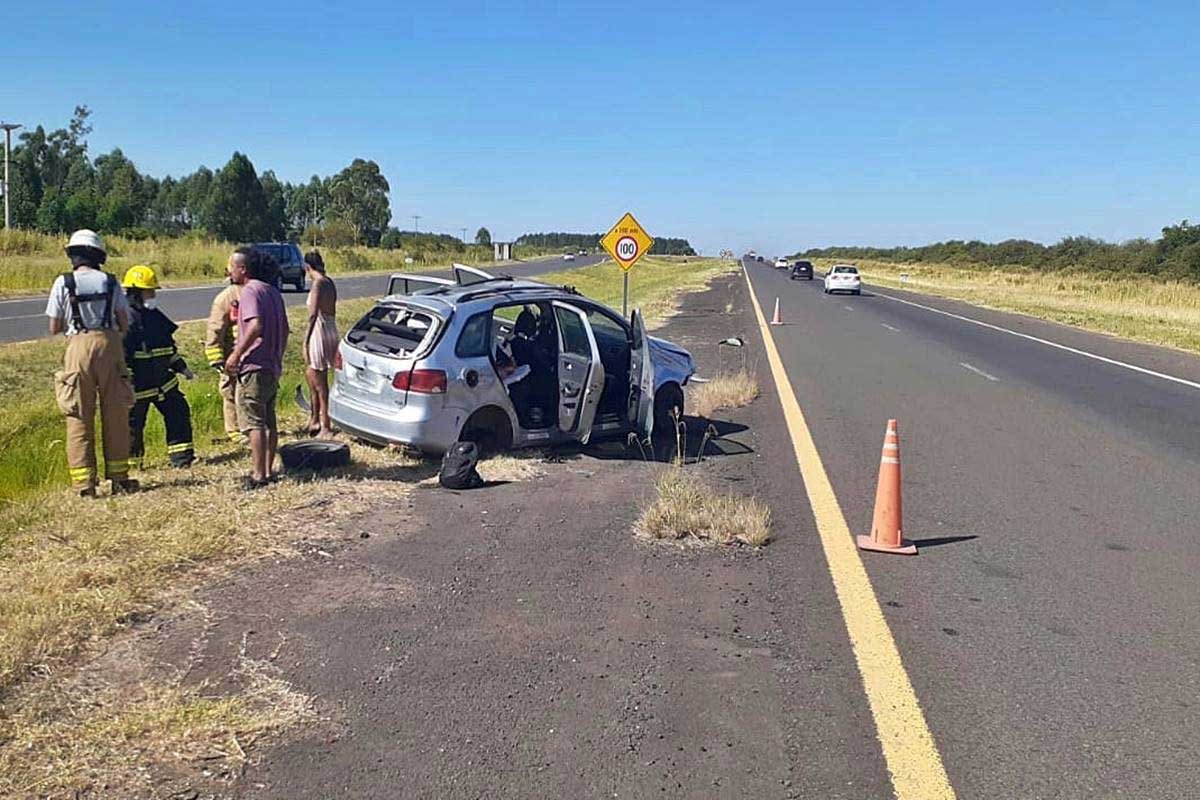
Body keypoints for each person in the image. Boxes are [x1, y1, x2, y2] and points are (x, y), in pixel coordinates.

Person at [45, 229, 139, 497]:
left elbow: (54, 326)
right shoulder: (110, 281)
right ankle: (120, 478)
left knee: (78, 415)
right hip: (110, 345)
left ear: (73, 255)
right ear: (98, 255)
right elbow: (124, 321)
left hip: (77, 346)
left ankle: (84, 484)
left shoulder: (63, 282)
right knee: (117, 413)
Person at [224, 247, 289, 489]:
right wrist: (278, 357)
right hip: (271, 366)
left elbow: (256, 326)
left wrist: (236, 354)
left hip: (253, 365)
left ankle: (258, 474)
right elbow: (284, 328)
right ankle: (269, 469)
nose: (228, 270)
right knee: (269, 421)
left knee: (254, 422)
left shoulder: (250, 290)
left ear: (243, 269)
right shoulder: (272, 291)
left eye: (232, 266)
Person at [122, 265, 195, 468]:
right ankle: (133, 465)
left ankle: (182, 459)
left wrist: (181, 367)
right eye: (150, 290)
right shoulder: (125, 320)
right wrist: (125, 383)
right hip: (138, 386)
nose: (153, 294)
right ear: (136, 292)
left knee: (178, 412)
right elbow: (122, 357)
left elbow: (167, 347)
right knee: (132, 426)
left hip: (164, 381)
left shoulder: (154, 316)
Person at [204, 262, 244, 444]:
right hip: (232, 355)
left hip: (253, 357)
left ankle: (248, 426)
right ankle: (234, 429)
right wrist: (217, 359)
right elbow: (215, 329)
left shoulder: (257, 292)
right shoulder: (226, 298)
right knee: (230, 391)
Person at [301, 250, 338, 437]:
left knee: (319, 380)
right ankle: (315, 418)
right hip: (331, 328)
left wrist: (305, 341)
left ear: (308, 267)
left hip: (320, 330)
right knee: (313, 375)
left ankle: (325, 424)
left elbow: (313, 314)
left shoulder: (318, 284)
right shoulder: (330, 282)